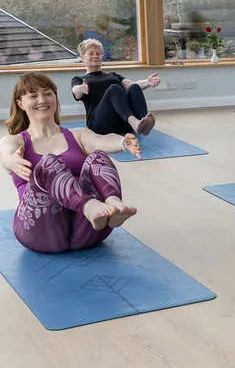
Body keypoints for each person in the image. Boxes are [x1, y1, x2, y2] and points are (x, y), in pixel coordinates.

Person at [1, 72, 141, 254]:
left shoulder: (77, 135)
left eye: (47, 93)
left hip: (88, 228)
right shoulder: (17, 141)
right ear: (21, 103)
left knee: (98, 156)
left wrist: (123, 142)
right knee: (48, 162)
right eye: (33, 96)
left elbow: (101, 140)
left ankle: (113, 204)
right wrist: (10, 160)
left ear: (55, 97)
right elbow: (5, 154)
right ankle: (88, 205)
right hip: (41, 231)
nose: (42, 100)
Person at [71, 39, 159, 136]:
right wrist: (81, 88)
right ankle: (134, 122)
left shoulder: (113, 75)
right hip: (100, 124)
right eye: (91, 53)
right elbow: (76, 91)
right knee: (114, 89)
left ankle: (143, 122)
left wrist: (148, 82)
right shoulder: (80, 79)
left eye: (98, 53)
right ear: (82, 57)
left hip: (122, 123)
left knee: (134, 87)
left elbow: (132, 85)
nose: (95, 56)